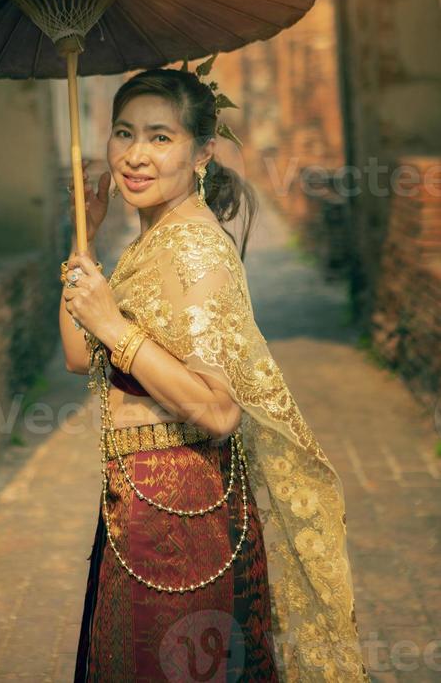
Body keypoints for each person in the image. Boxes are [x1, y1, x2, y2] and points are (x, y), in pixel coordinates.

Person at [60, 67, 368, 682]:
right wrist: (86, 240)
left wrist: (116, 327)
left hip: (181, 510)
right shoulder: (152, 239)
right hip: (141, 501)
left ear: (202, 152)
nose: (135, 156)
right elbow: (77, 355)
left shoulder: (193, 247)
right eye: (123, 134)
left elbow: (220, 410)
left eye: (160, 137)